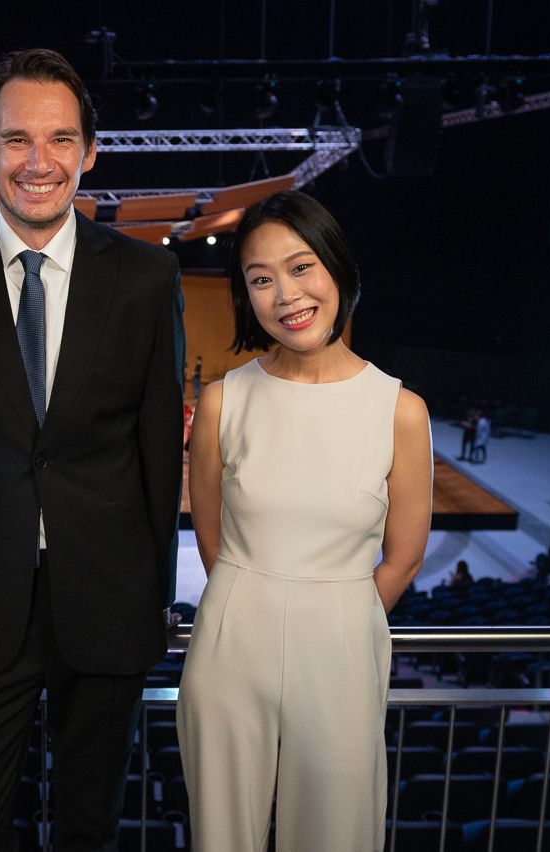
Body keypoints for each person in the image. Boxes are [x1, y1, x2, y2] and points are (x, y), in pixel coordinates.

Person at [0, 48, 184, 852]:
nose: (38, 161)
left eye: (60, 139)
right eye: (17, 139)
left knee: (90, 832)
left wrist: (154, 591)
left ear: (91, 151)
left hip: (109, 604)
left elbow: (159, 448)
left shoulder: (148, 277)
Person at [176, 191, 433, 852]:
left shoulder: (400, 410)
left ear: (337, 267)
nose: (286, 295)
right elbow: (211, 537)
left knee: (337, 834)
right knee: (221, 837)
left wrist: (334, 611)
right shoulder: (223, 401)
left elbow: (404, 556)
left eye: (300, 267)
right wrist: (252, 600)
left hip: (343, 644)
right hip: (231, 642)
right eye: (261, 279)